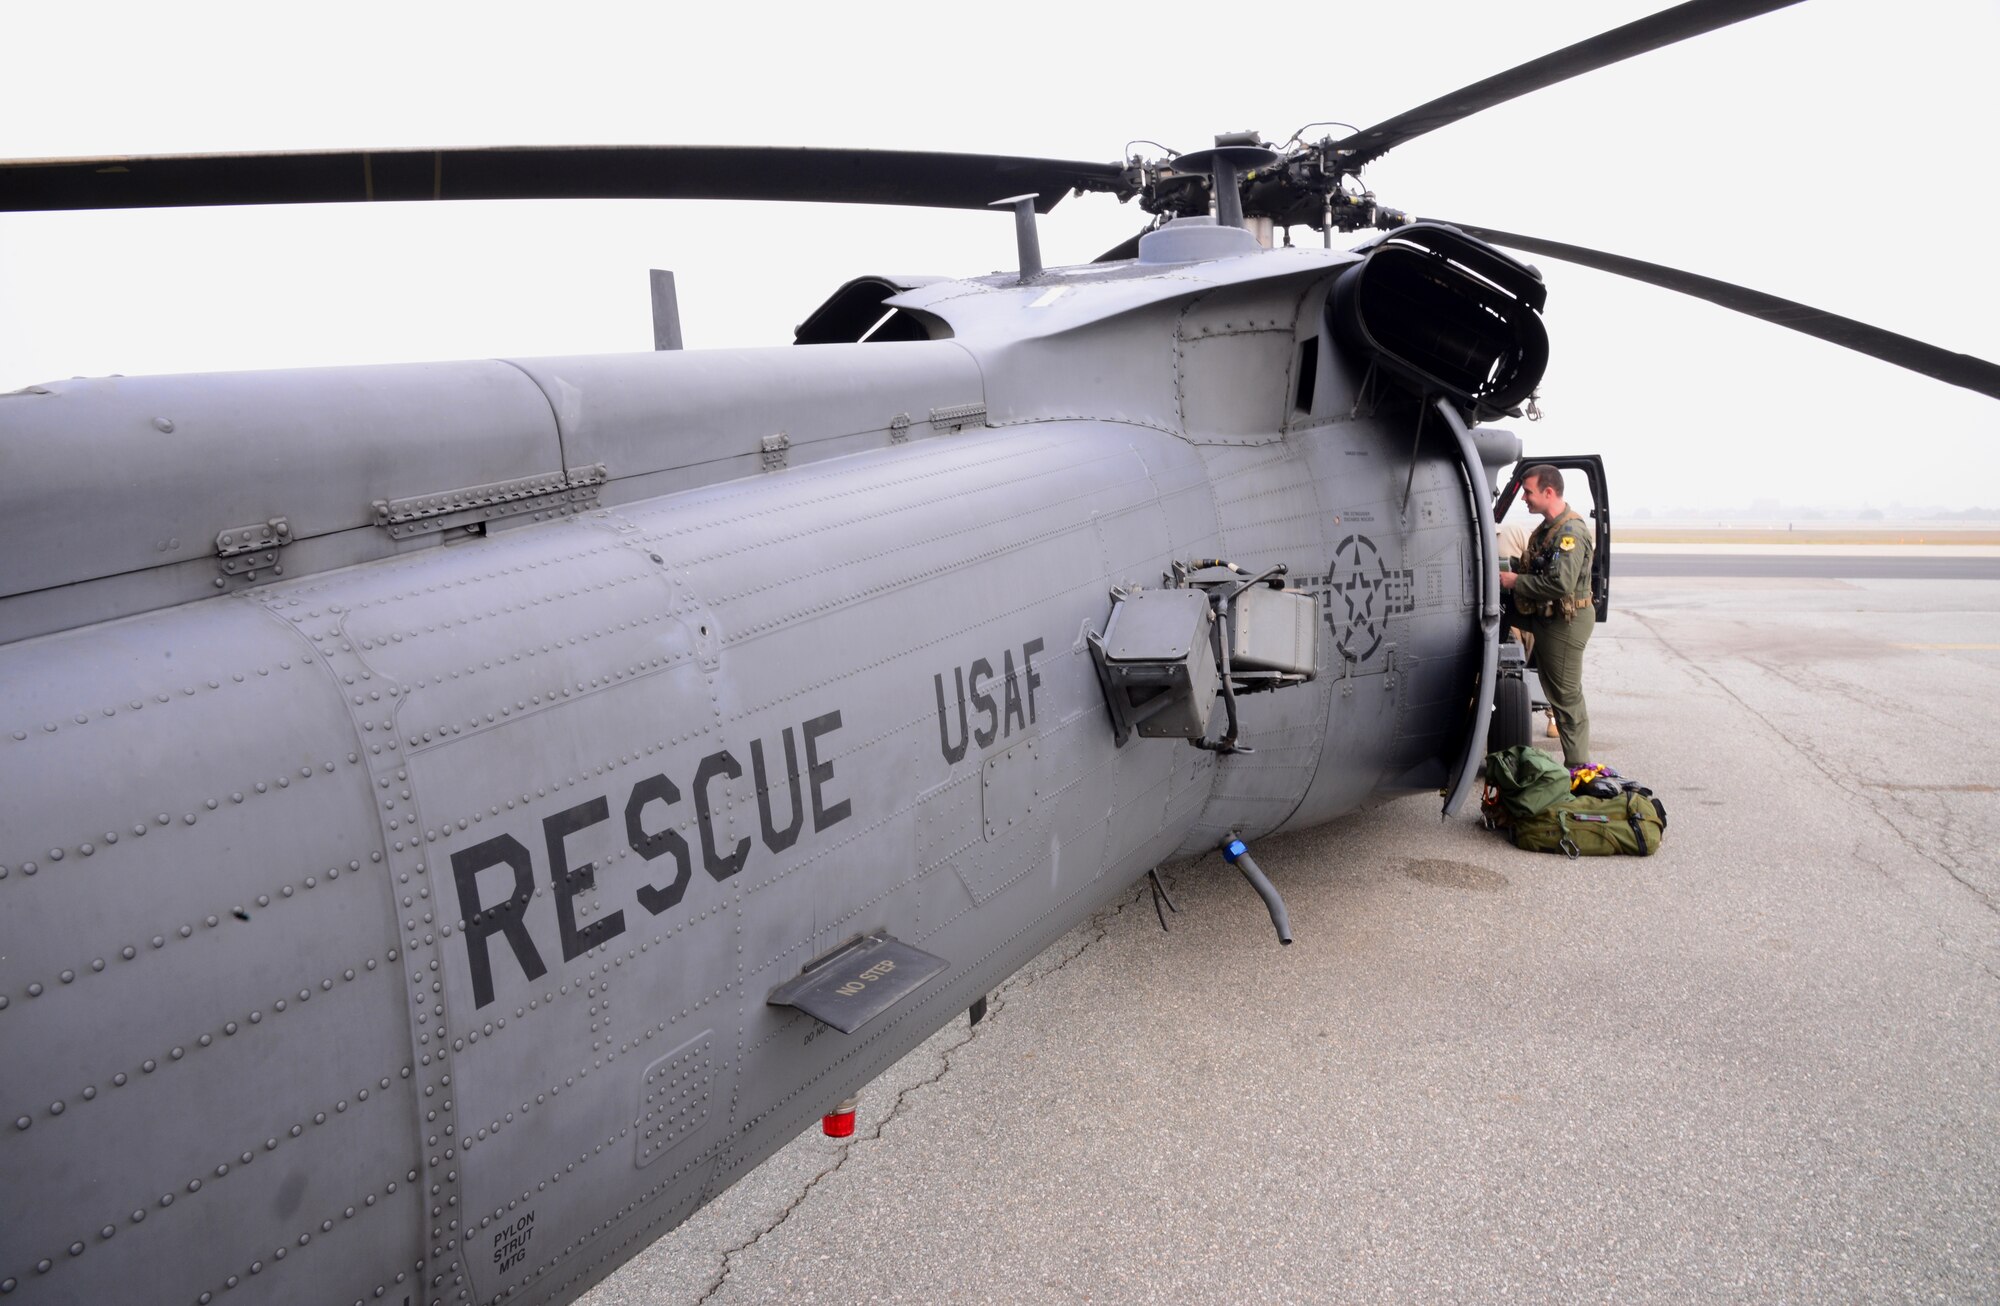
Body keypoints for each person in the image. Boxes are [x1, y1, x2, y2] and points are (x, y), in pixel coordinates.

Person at [1499, 465, 1594, 768]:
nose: (1524, 498)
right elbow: (1536, 566)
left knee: (1565, 697)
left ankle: (1578, 770)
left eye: (1528, 492)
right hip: (1545, 617)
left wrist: (1514, 581)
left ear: (1548, 492)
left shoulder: (1570, 533)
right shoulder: (1546, 529)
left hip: (1564, 623)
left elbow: (1560, 583)